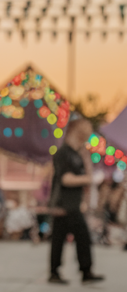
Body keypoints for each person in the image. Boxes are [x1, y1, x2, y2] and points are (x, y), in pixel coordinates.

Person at [49, 115, 104, 283]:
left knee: (67, 238)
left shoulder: (77, 153)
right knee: (75, 237)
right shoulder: (63, 153)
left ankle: (61, 272)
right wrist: (89, 179)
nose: (89, 131)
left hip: (73, 204)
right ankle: (78, 271)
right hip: (63, 204)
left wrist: (86, 157)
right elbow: (66, 179)